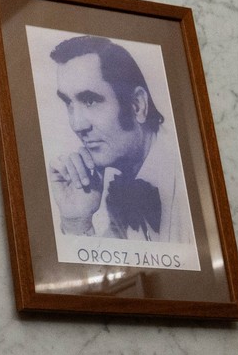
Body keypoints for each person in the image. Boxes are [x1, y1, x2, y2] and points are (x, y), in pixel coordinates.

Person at [46, 34, 191, 244]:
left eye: (90, 100)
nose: (77, 125)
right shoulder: (119, 190)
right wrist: (76, 221)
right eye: (69, 103)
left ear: (137, 105)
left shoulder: (192, 177)